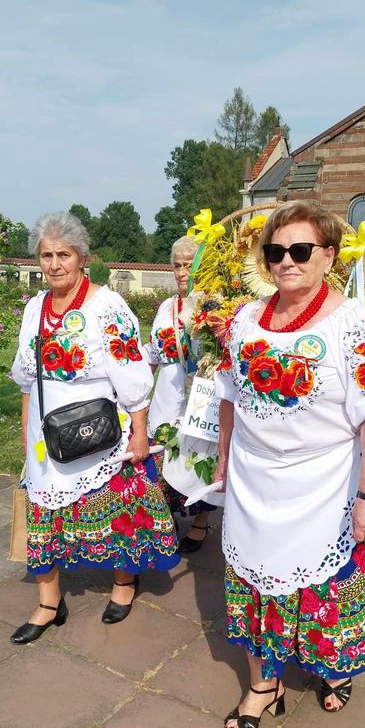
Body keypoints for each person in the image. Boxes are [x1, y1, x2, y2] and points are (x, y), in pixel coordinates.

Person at [214, 199, 365, 728]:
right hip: (254, 480)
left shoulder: (356, 324)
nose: (286, 261)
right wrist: (224, 459)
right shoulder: (246, 320)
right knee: (251, 581)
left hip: (324, 482)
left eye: (300, 250)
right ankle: (262, 685)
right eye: (275, 251)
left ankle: (333, 668)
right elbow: (229, 397)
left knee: (327, 586)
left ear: (329, 255)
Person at [9, 212, 179, 642]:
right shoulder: (34, 308)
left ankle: (124, 583)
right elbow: (27, 378)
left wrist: (140, 430)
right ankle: (49, 602)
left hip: (100, 432)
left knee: (118, 511)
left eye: (63, 254)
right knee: (42, 513)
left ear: (82, 258)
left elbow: (132, 372)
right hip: (48, 435)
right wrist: (26, 436)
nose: (53, 264)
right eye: (45, 255)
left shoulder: (107, 306)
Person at [146, 235, 216, 553]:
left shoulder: (214, 305)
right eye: (177, 265)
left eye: (190, 264)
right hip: (166, 394)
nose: (183, 271)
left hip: (201, 395)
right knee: (161, 458)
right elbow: (152, 351)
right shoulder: (165, 307)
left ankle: (200, 521)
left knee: (198, 458)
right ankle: (168, 517)